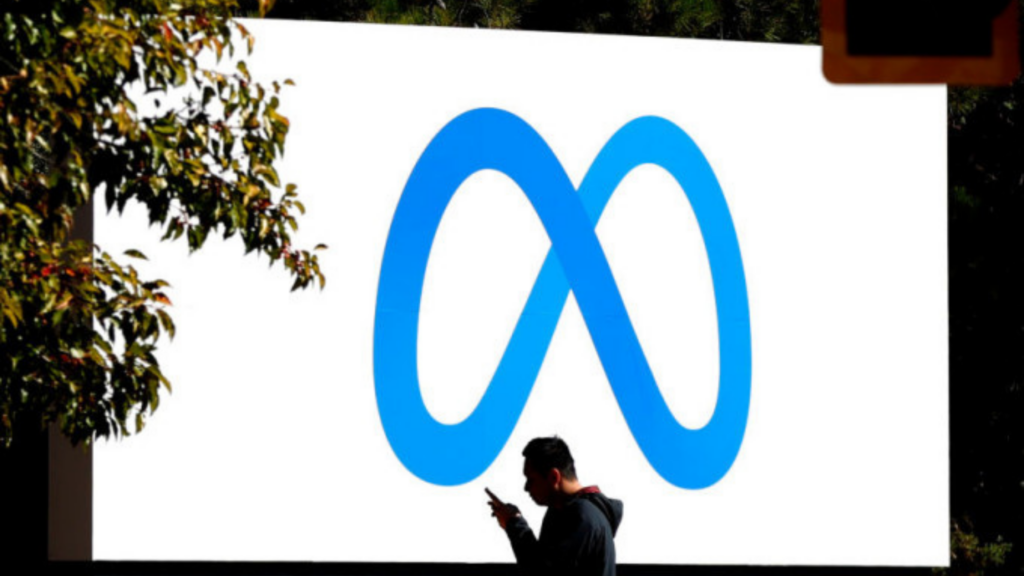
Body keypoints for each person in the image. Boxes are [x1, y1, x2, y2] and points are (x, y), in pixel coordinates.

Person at [487, 436, 623, 576]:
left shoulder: (581, 516)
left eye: (531, 479)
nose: (526, 488)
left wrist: (514, 524)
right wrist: (512, 522)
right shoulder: (567, 511)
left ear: (554, 477)